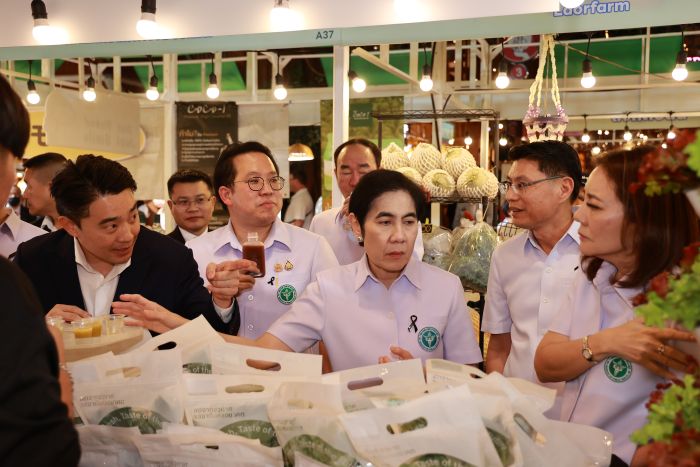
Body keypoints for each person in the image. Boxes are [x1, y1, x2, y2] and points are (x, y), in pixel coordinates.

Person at [115, 170, 483, 372]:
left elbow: (471, 377)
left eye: (409, 221)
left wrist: (426, 377)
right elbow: (263, 353)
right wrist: (172, 323)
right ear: (357, 225)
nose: (399, 236)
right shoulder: (330, 288)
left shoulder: (446, 287)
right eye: (385, 222)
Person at [534, 146, 698, 465]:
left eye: (594, 205)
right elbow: (545, 363)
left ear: (643, 219)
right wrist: (607, 342)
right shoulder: (592, 275)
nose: (578, 215)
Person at [14, 154, 243, 335]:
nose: (127, 235)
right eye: (111, 226)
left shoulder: (171, 258)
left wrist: (222, 301)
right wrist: (40, 328)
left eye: (132, 217)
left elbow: (212, 332)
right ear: (70, 226)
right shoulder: (34, 259)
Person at [0, 72, 79, 465]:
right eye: (14, 164)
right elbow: (45, 447)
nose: (18, 186)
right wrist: (58, 362)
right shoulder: (12, 276)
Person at [186, 141, 338, 339]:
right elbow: (186, 327)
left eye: (273, 180)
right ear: (226, 194)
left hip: (293, 360)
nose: (268, 190)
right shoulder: (195, 253)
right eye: (255, 181)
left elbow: (336, 320)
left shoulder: (313, 248)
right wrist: (220, 300)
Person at [481, 141, 583, 416]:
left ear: (564, 188)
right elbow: (499, 346)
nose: (510, 196)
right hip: (519, 414)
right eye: (509, 184)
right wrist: (499, 408)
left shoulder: (597, 252)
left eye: (522, 185)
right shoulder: (505, 256)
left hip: (580, 414)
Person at [310, 138, 424, 265]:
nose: (355, 181)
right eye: (346, 172)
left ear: (379, 172)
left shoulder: (404, 221)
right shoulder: (320, 223)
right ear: (336, 175)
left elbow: (411, 267)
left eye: (363, 172)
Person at [166, 168, 216, 243]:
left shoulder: (229, 246)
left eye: (200, 200)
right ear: (171, 206)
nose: (193, 209)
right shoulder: (159, 248)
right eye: (184, 202)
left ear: (212, 203)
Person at [23, 152, 67, 232]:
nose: (24, 195)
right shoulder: (29, 233)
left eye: (29, 186)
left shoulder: (85, 230)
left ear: (52, 187)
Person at [284, 164, 314, 229]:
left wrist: (284, 232)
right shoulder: (302, 195)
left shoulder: (301, 198)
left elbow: (299, 223)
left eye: (289, 179)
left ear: (295, 179)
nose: (287, 183)